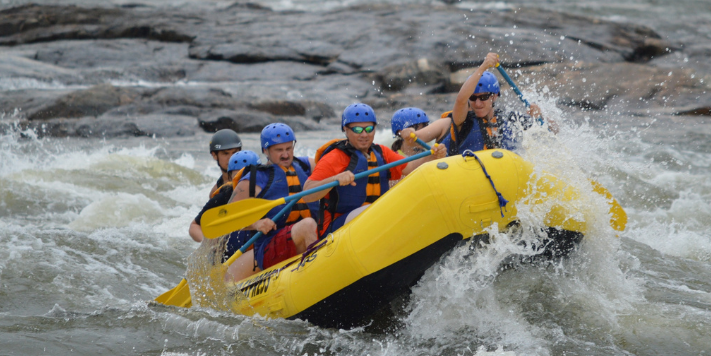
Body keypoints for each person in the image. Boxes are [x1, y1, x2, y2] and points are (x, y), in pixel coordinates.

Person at [303, 103, 447, 238]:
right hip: (337, 228)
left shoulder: (381, 152)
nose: (364, 134)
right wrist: (334, 179)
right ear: (346, 130)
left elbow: (410, 168)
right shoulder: (334, 157)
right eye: (358, 130)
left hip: (375, 220)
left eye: (369, 129)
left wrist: (432, 156)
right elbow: (307, 194)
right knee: (375, 211)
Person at [224, 123, 320, 281]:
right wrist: (256, 224)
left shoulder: (305, 165)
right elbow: (229, 218)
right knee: (308, 225)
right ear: (265, 151)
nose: (285, 155)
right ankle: (317, 278)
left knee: (313, 224)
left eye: (288, 148)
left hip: (304, 236)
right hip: (270, 246)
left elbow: (329, 166)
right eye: (279, 150)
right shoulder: (256, 179)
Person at [413, 52, 549, 155]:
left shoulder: (511, 118)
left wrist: (540, 117)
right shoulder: (462, 120)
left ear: (494, 96)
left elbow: (552, 132)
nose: (477, 103)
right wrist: (484, 66)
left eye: (483, 97)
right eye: (472, 98)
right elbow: (460, 100)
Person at [189, 150, 260, 263]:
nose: (242, 183)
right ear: (231, 178)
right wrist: (209, 242)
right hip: (229, 256)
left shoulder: (270, 191)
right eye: (237, 178)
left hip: (257, 251)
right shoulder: (224, 196)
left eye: (246, 177)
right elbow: (194, 226)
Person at [207, 129, 243, 198]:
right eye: (225, 153)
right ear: (214, 155)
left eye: (235, 152)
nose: (231, 158)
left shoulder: (253, 177)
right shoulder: (215, 193)